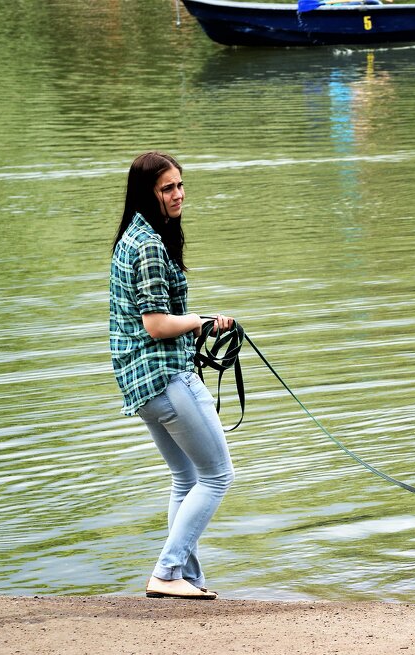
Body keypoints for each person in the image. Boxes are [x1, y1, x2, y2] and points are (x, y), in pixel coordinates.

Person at [109, 151, 235, 600]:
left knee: (186, 478)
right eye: (167, 188)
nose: (178, 194)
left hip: (141, 384)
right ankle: (166, 572)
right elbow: (157, 324)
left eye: (180, 185)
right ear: (149, 193)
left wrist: (199, 321)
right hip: (165, 378)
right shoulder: (147, 246)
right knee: (218, 475)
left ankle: (186, 578)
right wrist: (202, 320)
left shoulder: (135, 237)